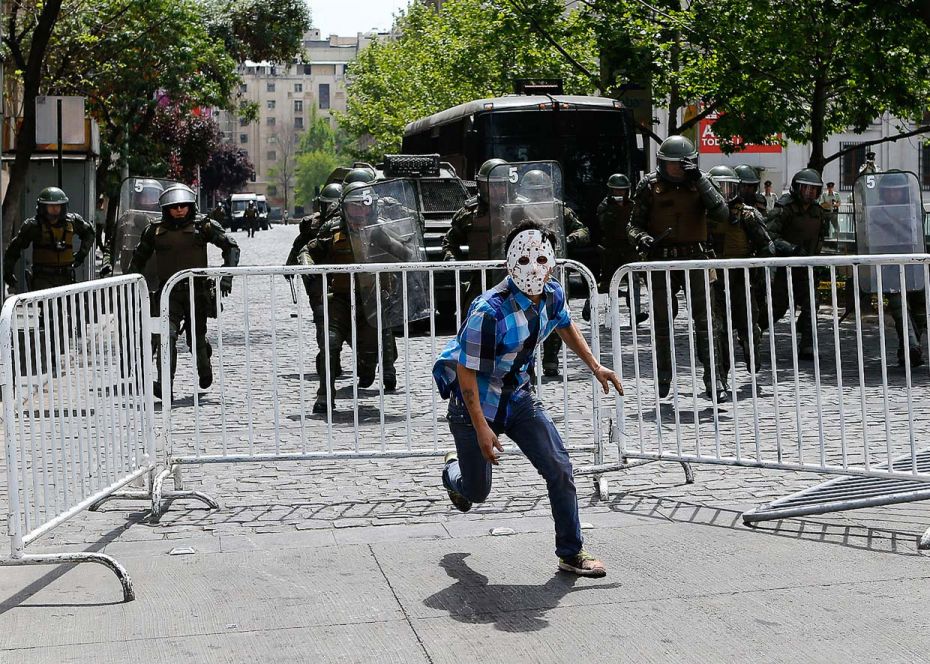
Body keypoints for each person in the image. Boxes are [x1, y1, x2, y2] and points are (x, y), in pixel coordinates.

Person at [433, 220, 623, 577]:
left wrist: (596, 366)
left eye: (540, 259)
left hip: (518, 397)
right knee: (475, 493)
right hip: (474, 406)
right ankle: (452, 469)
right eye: (523, 260)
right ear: (509, 264)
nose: (533, 268)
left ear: (552, 262)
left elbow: (564, 323)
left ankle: (571, 551)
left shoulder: (552, 293)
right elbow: (466, 372)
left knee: (560, 467)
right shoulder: (488, 312)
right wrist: (481, 430)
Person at [627, 135, 730, 401]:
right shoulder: (648, 185)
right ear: (662, 163)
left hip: (695, 257)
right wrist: (642, 237)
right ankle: (663, 377)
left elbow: (722, 212)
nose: (676, 169)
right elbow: (633, 225)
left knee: (706, 320)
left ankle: (715, 379)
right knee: (662, 321)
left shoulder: (701, 182)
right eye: (671, 164)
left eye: (682, 164)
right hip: (661, 259)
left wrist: (699, 180)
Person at [296, 181, 405, 413]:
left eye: (364, 206)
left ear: (371, 207)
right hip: (341, 300)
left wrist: (395, 249)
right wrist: (308, 268)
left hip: (370, 301)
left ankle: (369, 369)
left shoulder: (379, 231)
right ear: (345, 208)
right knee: (330, 342)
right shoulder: (333, 232)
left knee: (366, 368)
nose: (359, 212)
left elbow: (405, 254)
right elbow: (307, 250)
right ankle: (324, 395)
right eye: (354, 207)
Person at [129, 184, 240, 398]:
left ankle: (204, 365)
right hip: (168, 294)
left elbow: (231, 247)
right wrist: (133, 284)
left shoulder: (204, 226)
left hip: (197, 292)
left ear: (190, 206)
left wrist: (226, 277)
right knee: (166, 337)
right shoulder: (155, 230)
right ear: (166, 209)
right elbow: (139, 258)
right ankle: (164, 384)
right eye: (174, 206)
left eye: (183, 206)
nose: (179, 210)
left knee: (196, 339)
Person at [707, 166, 776, 374]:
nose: (724, 193)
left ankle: (751, 353)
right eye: (719, 188)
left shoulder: (748, 215)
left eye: (728, 188)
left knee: (749, 326)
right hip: (714, 281)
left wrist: (760, 275)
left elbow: (767, 247)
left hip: (742, 279)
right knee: (718, 329)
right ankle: (721, 373)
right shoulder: (703, 215)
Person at [763, 168, 831, 360]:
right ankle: (753, 332)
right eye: (806, 188)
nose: (810, 193)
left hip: (807, 267)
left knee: (811, 304)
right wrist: (790, 248)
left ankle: (808, 344)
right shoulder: (784, 208)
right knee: (777, 307)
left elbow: (821, 238)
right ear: (797, 188)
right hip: (786, 267)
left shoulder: (818, 212)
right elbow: (770, 236)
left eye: (813, 189)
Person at [3, 187, 95, 294]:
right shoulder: (34, 226)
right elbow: (15, 248)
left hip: (66, 277)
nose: (55, 209)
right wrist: (8, 272)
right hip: (43, 278)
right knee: (49, 309)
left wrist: (81, 255)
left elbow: (89, 232)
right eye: (51, 206)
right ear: (43, 207)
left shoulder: (72, 221)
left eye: (58, 206)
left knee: (66, 308)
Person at [593, 172, 646, 325]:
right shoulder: (605, 205)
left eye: (622, 190)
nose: (619, 193)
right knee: (606, 283)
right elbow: (604, 224)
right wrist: (615, 208)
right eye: (616, 190)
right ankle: (593, 310)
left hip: (629, 248)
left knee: (634, 280)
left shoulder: (633, 204)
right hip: (611, 248)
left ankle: (635, 313)